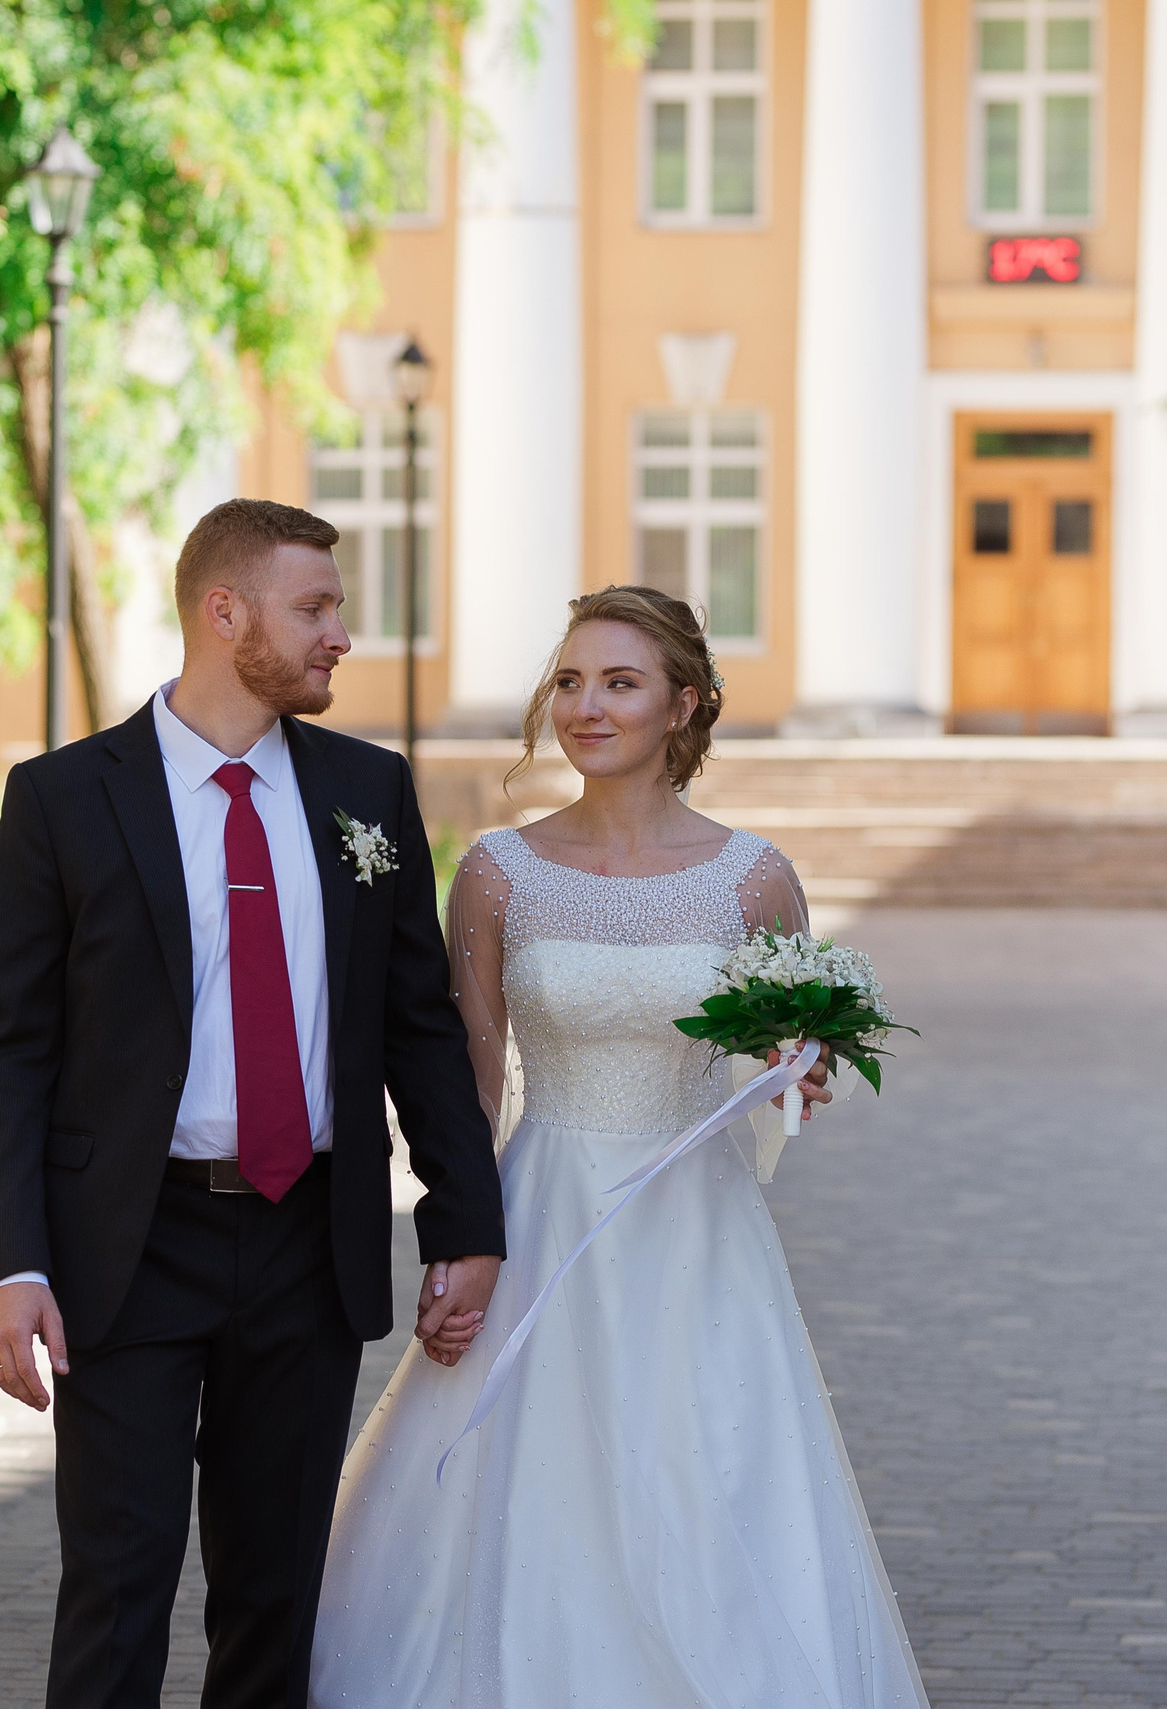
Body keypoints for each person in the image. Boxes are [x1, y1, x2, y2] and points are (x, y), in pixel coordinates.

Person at [310, 586, 933, 1709]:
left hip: (695, 1229)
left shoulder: (753, 876)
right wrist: (456, 1242)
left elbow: (793, 1052)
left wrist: (803, 1068)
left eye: (619, 682)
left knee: (705, 1466)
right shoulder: (497, 871)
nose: (585, 706)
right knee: (529, 1484)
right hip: (541, 1209)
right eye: (569, 681)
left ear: (682, 705)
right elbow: (468, 1080)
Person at [0, 498, 507, 1709]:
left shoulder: (368, 790)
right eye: (314, 608)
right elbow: (4, 1052)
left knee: (276, 1596)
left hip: (309, 1239)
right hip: (128, 1244)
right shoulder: (63, 798)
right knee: (118, 1585)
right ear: (224, 612)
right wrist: (14, 1265)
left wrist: (466, 1219)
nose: (340, 635)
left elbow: (417, 1026)